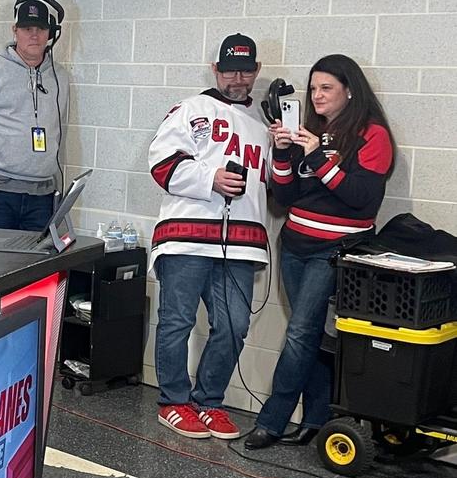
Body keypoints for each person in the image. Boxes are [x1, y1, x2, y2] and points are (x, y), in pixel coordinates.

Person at [245, 54, 395, 449]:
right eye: (313, 89)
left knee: (299, 334)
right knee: (307, 334)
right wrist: (281, 151)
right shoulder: (308, 130)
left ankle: (272, 420)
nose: (318, 96)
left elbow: (361, 199)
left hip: (335, 250)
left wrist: (316, 157)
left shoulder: (371, 134)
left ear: (350, 90)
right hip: (294, 244)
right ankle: (316, 419)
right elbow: (286, 195)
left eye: (327, 88)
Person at [148, 34, 271, 440]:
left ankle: (208, 401)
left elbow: (279, 185)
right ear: (215, 69)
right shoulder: (190, 109)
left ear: (256, 71)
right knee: (177, 322)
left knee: (234, 325)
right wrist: (210, 178)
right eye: (230, 69)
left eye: (246, 69)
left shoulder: (265, 124)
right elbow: (161, 165)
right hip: (185, 236)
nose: (239, 77)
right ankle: (173, 401)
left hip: (241, 242)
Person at [0, 0, 71, 232]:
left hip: (42, 192)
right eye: (27, 28)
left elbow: (59, 127)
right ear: (15, 31)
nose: (34, 35)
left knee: (36, 267)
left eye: (40, 29)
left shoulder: (59, 77)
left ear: (50, 34)